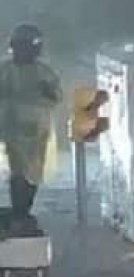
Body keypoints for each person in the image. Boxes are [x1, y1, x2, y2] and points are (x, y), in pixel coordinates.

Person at [0, 23, 62, 234]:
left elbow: (56, 96)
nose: (22, 52)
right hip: (12, 133)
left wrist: (46, 92)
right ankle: (19, 214)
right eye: (20, 47)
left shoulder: (44, 72)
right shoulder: (5, 70)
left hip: (36, 135)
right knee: (18, 174)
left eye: (27, 47)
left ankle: (23, 213)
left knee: (32, 175)